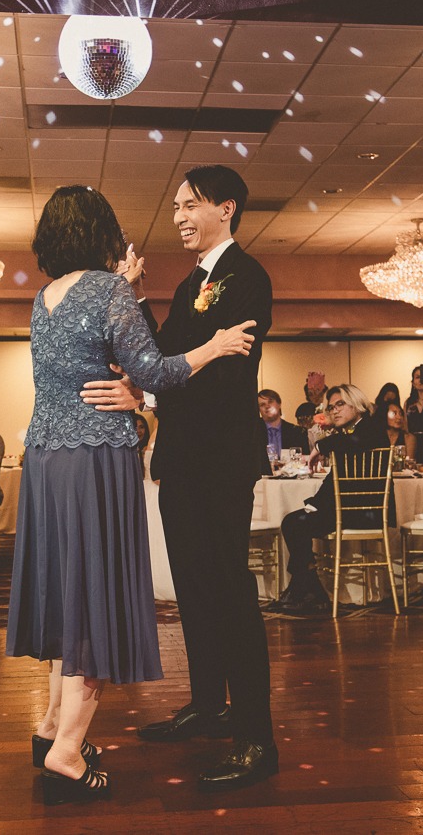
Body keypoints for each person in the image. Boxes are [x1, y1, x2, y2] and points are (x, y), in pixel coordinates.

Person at [5, 184, 256, 804]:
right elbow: (155, 373)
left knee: (68, 596)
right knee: (97, 598)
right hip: (95, 459)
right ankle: (67, 751)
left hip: (45, 458)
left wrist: (126, 290)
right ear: (103, 231)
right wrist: (216, 345)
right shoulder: (109, 291)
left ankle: (49, 729)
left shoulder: (45, 297)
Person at [81, 164, 277, 791]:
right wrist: (134, 298)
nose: (179, 217)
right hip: (185, 458)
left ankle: (255, 737)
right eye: (176, 208)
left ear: (226, 207)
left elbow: (220, 377)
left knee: (229, 590)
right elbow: (167, 351)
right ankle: (208, 704)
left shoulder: (247, 278)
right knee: (193, 587)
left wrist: (151, 397)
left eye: (190, 204)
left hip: (220, 457)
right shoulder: (194, 280)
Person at [269, 384, 387, 615]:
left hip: (365, 511)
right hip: (347, 507)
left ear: (357, 403)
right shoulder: (348, 435)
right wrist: (314, 503)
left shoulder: (371, 428)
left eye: (340, 404)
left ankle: (306, 588)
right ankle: (309, 587)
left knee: (295, 523)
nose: (334, 411)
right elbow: (336, 477)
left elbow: (353, 443)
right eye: (330, 407)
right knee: (294, 520)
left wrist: (320, 446)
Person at [258, 389, 307, 462]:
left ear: (279, 404)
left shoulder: (297, 432)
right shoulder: (253, 433)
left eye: (270, 401)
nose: (267, 406)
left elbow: (305, 459)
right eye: (262, 404)